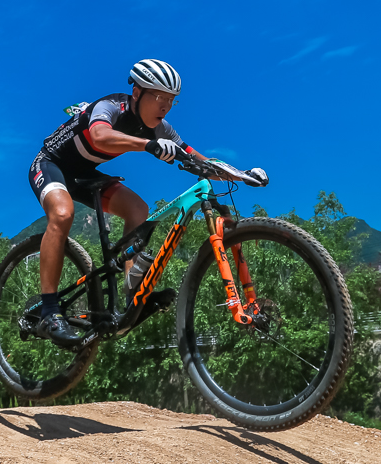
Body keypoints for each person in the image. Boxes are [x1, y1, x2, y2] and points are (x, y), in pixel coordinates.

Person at [28, 59, 265, 347]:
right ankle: (50, 312)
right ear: (138, 92)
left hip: (85, 174)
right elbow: (100, 136)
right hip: (52, 165)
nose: (165, 106)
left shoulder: (162, 128)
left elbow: (195, 158)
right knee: (63, 214)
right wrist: (147, 145)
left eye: (172, 100)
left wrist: (240, 174)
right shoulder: (112, 105)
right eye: (160, 97)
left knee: (139, 209)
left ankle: (132, 296)